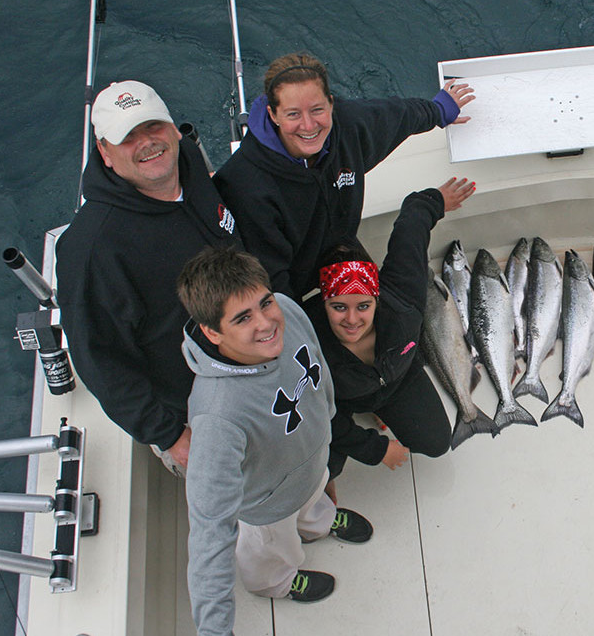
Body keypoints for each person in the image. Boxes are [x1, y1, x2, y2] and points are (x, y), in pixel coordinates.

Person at [176, 246, 373, 635]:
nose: (267, 323)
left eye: (264, 303)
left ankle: (319, 523)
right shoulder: (217, 417)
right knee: (271, 552)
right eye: (243, 318)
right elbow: (209, 531)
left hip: (312, 465)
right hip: (265, 509)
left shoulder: (286, 308)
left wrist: (328, 421)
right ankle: (277, 583)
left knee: (314, 504)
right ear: (213, 332)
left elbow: (315, 363)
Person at [55, 81, 242, 474]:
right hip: (198, 407)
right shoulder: (91, 252)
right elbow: (99, 361)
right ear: (104, 152)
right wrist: (171, 435)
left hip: (256, 354)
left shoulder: (186, 160)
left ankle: (314, 511)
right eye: (127, 137)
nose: (147, 143)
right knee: (250, 499)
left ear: (174, 128)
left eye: (153, 126)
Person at [213, 51, 475, 301]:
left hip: (343, 250)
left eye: (317, 109)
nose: (308, 125)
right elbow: (270, 279)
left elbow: (396, 116)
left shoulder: (348, 126)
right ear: (273, 114)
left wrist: (439, 111)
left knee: (388, 323)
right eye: (293, 114)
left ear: (331, 103)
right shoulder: (246, 184)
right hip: (294, 285)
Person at [306, 177, 474, 491]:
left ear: (378, 297)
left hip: (399, 379)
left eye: (364, 306)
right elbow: (319, 415)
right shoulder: (305, 342)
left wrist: (435, 200)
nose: (352, 320)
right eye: (338, 307)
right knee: (325, 468)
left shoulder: (403, 295)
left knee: (438, 444)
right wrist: (377, 449)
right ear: (323, 301)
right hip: (340, 399)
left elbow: (412, 225)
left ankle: (379, 408)